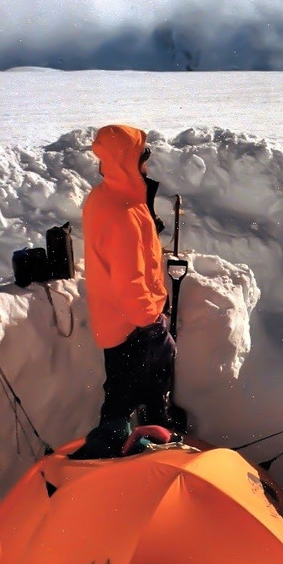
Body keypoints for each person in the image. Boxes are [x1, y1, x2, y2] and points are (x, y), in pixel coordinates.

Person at [76, 124, 183, 460]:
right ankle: (134, 456)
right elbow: (129, 281)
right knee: (134, 397)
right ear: (128, 160)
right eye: (143, 156)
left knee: (122, 393)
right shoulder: (122, 213)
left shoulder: (108, 197)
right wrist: (153, 322)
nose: (147, 163)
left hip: (115, 320)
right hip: (133, 324)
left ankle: (130, 448)